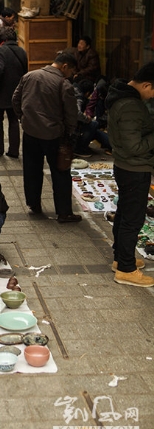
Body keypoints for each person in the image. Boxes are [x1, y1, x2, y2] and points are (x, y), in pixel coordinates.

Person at [12, 51, 81, 222]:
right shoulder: (63, 84)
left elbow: (15, 99)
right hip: (53, 135)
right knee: (60, 173)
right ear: (64, 67)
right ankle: (64, 212)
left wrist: (23, 118)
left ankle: (34, 204)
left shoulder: (30, 76)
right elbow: (71, 113)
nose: (71, 75)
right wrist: (69, 131)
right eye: (71, 71)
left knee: (32, 170)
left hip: (30, 133)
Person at [106, 63, 154, 287]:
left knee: (125, 213)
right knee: (132, 220)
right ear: (147, 85)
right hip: (134, 168)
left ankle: (121, 258)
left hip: (126, 165)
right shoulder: (130, 106)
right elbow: (135, 147)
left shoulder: (121, 96)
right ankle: (126, 269)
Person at [0, 26, 28, 158]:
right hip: (17, 91)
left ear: (2, 39)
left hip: (1, 92)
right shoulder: (22, 51)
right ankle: (14, 151)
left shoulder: (0, 50)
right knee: (13, 120)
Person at [73, 79, 110, 157]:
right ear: (87, 93)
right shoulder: (79, 97)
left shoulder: (74, 91)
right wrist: (87, 118)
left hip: (73, 126)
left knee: (95, 130)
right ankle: (79, 149)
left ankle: (111, 144)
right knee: (94, 124)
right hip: (73, 129)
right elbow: (78, 113)